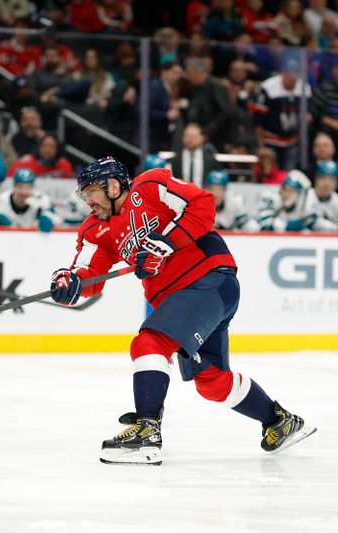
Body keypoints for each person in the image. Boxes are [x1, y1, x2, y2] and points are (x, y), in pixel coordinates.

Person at [49, 157, 315, 465]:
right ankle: (279, 421)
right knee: (211, 381)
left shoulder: (150, 186)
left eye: (91, 191)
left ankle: (147, 431)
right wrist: (70, 283)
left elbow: (202, 204)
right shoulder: (96, 229)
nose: (88, 200)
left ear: (112, 185)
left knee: (149, 342)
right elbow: (87, 274)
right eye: (84, 195)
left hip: (208, 279)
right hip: (188, 299)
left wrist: (167, 243)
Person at [0, 168, 58, 232]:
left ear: (34, 188)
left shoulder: (42, 200)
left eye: (28, 188)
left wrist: (45, 216)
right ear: (14, 187)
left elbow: (56, 218)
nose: (24, 192)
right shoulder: (3, 199)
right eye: (20, 187)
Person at [169, 123, 219, 187]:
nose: (190, 140)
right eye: (186, 136)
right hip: (180, 195)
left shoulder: (211, 160)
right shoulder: (174, 160)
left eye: (194, 136)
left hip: (202, 194)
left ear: (202, 138)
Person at [7, 134, 73, 179]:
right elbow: (10, 180)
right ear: (38, 147)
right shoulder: (24, 163)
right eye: (44, 146)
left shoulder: (64, 165)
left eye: (52, 147)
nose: (47, 150)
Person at [303, 160, 338, 231]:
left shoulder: (336, 199)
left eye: (332, 179)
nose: (327, 183)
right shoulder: (305, 195)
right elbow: (308, 220)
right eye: (323, 178)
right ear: (316, 179)